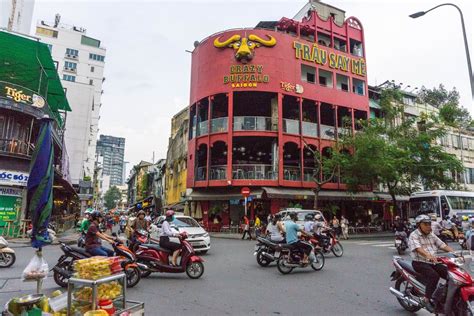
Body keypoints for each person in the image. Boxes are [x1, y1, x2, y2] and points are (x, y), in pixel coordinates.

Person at [408, 214, 454, 312]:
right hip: (419, 262)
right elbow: (418, 249)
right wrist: (428, 256)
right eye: (426, 224)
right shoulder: (414, 235)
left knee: (451, 274)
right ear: (419, 225)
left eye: (429, 224)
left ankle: (444, 296)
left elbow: (442, 245)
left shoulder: (431, 234)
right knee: (434, 276)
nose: (429, 226)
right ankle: (427, 299)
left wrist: (454, 253)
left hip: (433, 262)